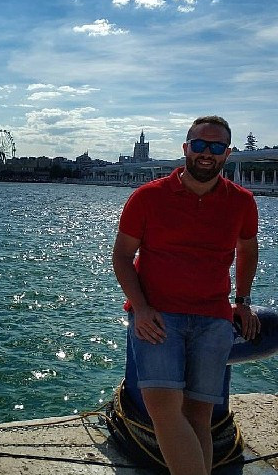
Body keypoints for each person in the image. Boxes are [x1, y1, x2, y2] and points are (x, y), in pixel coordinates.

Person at [112, 116, 261, 475]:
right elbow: (122, 256)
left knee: (198, 416)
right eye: (199, 145)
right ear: (186, 148)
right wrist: (141, 309)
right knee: (164, 410)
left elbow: (248, 248)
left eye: (216, 146)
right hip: (158, 317)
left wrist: (242, 302)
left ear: (227, 153)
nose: (207, 153)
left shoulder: (242, 201)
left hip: (213, 319)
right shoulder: (147, 197)